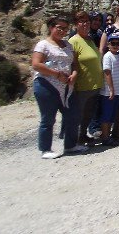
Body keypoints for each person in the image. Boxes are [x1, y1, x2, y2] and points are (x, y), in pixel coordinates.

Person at [31, 16, 84, 158]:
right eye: (59, 27)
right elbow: (36, 64)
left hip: (67, 86)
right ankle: (45, 149)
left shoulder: (67, 45)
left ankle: (70, 145)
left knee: (73, 115)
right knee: (48, 118)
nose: (62, 31)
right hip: (46, 85)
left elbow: (74, 63)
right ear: (51, 28)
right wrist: (55, 74)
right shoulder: (43, 45)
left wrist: (74, 74)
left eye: (65, 28)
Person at [68, 11, 103, 144]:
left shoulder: (90, 40)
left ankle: (82, 136)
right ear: (76, 24)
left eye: (87, 22)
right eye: (82, 22)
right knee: (78, 114)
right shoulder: (73, 41)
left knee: (88, 114)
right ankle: (73, 141)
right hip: (81, 85)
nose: (85, 24)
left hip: (94, 84)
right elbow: (72, 63)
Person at [98, 32, 119, 146]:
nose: (115, 45)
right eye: (113, 43)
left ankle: (108, 135)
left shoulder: (118, 56)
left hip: (118, 90)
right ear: (108, 44)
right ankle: (105, 136)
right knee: (107, 114)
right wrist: (111, 89)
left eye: (118, 43)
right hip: (109, 91)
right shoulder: (107, 56)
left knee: (112, 114)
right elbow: (107, 72)